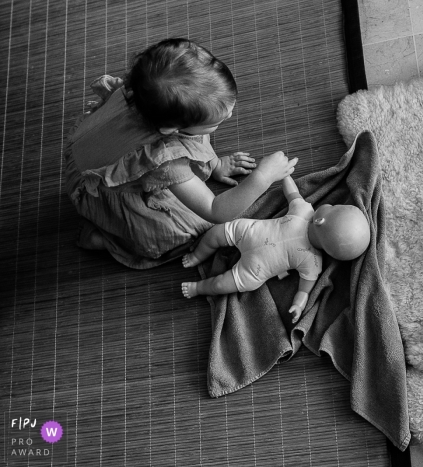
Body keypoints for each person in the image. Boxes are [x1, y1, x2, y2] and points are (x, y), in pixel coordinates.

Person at [64, 38, 297, 269]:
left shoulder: (142, 94)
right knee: (185, 232)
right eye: (215, 123)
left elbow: (193, 136)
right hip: (103, 191)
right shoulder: (163, 161)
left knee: (193, 126)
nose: (230, 115)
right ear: (170, 131)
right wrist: (263, 177)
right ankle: (109, 241)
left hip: (88, 155)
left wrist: (215, 164)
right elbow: (216, 211)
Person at [181, 175, 370, 323]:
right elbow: (292, 193)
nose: (330, 203)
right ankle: (198, 255)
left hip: (254, 270)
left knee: (220, 284)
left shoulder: (312, 262)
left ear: (320, 220)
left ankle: (199, 288)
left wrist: (298, 305)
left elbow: (304, 291)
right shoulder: (303, 212)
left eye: (334, 206)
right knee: (216, 234)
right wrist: (285, 176)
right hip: (248, 232)